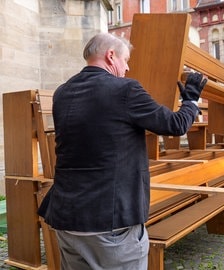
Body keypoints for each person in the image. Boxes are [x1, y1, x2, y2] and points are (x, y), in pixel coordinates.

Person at [37, 33, 207, 270]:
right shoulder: (125, 90)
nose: (127, 68)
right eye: (126, 60)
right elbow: (175, 125)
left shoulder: (62, 93)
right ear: (110, 56)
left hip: (67, 218)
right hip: (109, 222)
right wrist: (190, 101)